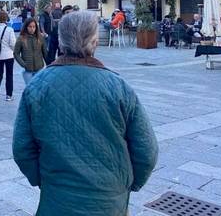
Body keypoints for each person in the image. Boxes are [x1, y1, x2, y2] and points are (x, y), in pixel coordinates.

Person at [13, 11, 158, 216]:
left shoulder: (37, 87)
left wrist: (42, 179)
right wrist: (127, 184)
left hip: (57, 198)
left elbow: (22, 149)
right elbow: (147, 151)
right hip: (109, 199)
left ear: (61, 41)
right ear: (94, 41)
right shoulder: (118, 87)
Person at [14, 18, 48, 85]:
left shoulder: (40, 37)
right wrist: (23, 64)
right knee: (29, 89)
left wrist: (48, 65)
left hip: (39, 68)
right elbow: (16, 53)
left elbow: (45, 53)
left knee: (38, 88)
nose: (32, 29)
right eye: (30, 26)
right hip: (27, 70)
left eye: (34, 27)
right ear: (26, 27)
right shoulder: (21, 38)